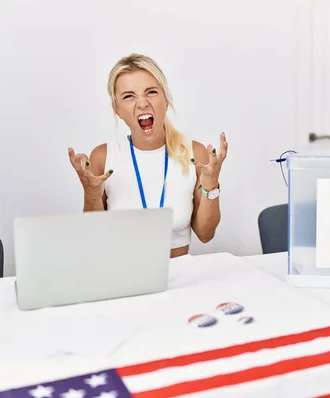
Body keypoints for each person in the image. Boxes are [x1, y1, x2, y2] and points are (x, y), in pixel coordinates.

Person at [67, 53, 228, 258]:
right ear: (117, 109)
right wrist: (91, 193)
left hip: (180, 275)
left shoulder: (194, 153)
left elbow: (206, 234)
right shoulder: (102, 157)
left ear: (166, 99)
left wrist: (211, 185)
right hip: (123, 278)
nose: (142, 103)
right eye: (129, 96)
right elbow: (94, 237)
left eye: (151, 92)